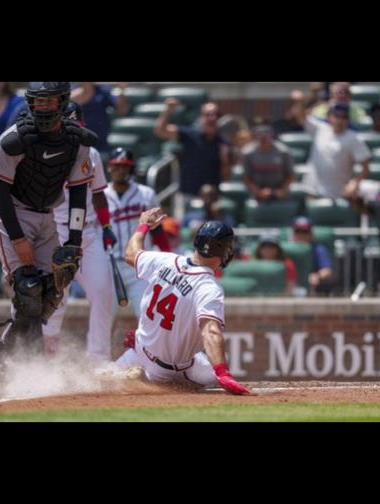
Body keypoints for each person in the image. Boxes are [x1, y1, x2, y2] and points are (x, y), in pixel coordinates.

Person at [0, 82, 99, 377]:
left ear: (62, 101)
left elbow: (79, 193)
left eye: (50, 102)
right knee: (28, 289)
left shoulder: (77, 142)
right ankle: (28, 370)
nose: (43, 108)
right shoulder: (13, 140)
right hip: (11, 212)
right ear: (30, 103)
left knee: (51, 292)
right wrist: (18, 239)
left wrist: (73, 241)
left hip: (47, 214)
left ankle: (2, 355)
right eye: (38, 102)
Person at [114, 214, 252, 395]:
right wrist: (222, 372)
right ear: (223, 251)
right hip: (169, 370)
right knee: (211, 377)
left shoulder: (166, 260)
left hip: (138, 352)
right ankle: (159, 384)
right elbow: (210, 331)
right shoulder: (209, 287)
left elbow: (131, 254)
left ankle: (128, 375)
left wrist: (142, 227)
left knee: (98, 383)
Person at [41, 102, 118, 361]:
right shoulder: (45, 153)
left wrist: (107, 226)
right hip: (57, 234)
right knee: (55, 297)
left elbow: (98, 194)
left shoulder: (91, 153)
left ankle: (98, 358)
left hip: (89, 235)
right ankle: (48, 355)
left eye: (77, 125)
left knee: (103, 294)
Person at [103, 147, 172, 312]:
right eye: (116, 165)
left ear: (131, 168)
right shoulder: (100, 196)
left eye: (125, 166)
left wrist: (168, 257)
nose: (120, 170)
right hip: (109, 266)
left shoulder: (146, 194)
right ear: (109, 167)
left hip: (140, 267)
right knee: (103, 320)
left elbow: (157, 231)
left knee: (147, 314)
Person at [154, 98, 231, 197]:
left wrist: (225, 161)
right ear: (201, 117)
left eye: (216, 114)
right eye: (208, 114)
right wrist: (168, 110)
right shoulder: (190, 134)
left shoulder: (224, 143)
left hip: (212, 198)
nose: (212, 118)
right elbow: (160, 131)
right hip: (188, 196)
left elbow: (227, 178)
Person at [297, 102, 371, 200]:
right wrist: (300, 101)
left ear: (348, 120)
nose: (339, 120)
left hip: (339, 193)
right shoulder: (320, 129)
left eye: (343, 117)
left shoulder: (354, 138)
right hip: (314, 191)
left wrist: (355, 183)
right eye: (336, 116)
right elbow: (300, 117)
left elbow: (365, 166)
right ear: (329, 117)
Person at [242, 124, 294, 203]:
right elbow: (246, 178)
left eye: (265, 137)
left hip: (280, 193)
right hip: (257, 195)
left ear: (271, 136)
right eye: (260, 137)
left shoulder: (283, 152)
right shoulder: (248, 153)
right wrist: (258, 192)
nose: (263, 139)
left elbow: (291, 176)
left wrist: (282, 191)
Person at [71, 82, 130, 152]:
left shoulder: (103, 90)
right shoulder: (72, 89)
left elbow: (122, 111)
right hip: (77, 145)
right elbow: (73, 100)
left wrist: (122, 91)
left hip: (100, 145)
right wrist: (86, 88)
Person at [291, 217, 334, 294]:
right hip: (288, 287)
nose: (301, 235)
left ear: (311, 234)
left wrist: (317, 276)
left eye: (305, 232)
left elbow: (327, 271)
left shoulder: (319, 249)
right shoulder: (285, 249)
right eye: (298, 231)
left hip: (310, 288)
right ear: (293, 234)